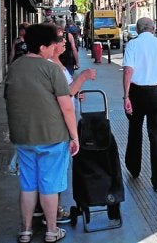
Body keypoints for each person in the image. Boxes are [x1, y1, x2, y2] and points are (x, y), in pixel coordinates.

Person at [4, 24, 79, 243]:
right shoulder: (51, 69)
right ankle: (52, 231)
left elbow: (10, 98)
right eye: (52, 44)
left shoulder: (16, 66)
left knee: (28, 184)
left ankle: (25, 231)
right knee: (50, 185)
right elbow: (66, 106)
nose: (54, 48)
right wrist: (74, 136)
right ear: (43, 46)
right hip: (52, 136)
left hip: (23, 136)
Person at [46, 27, 96, 224]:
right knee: (56, 170)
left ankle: (50, 208)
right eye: (60, 39)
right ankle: (54, 211)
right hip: (60, 123)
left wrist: (76, 92)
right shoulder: (50, 65)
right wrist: (82, 77)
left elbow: (66, 91)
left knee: (57, 169)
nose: (65, 41)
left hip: (64, 119)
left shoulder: (56, 63)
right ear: (51, 45)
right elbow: (63, 94)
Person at [122, 17, 157, 193]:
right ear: (153, 28)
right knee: (156, 136)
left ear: (138, 29)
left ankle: (134, 168)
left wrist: (126, 96)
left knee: (135, 131)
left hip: (136, 93)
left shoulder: (133, 45)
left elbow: (128, 70)